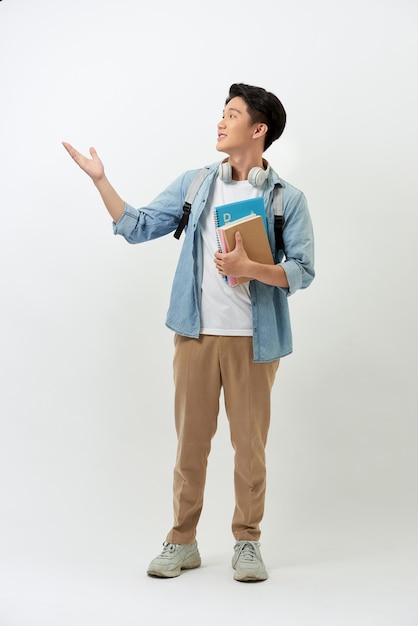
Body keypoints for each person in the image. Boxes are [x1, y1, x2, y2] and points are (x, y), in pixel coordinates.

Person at [62, 82, 315, 582]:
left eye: (232, 114)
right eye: (222, 113)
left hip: (254, 342)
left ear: (258, 130)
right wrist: (101, 181)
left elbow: (303, 271)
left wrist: (252, 267)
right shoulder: (197, 184)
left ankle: (247, 541)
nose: (221, 122)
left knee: (250, 448)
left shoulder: (288, 199)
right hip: (195, 336)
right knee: (190, 445)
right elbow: (136, 226)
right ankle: (182, 540)